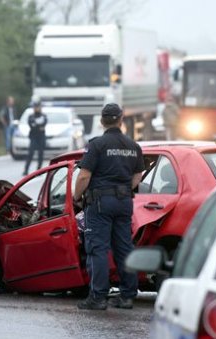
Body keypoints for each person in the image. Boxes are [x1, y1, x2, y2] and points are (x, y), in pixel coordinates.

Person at [73, 103, 144, 310]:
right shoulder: (133, 146)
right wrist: (122, 189)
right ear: (121, 120)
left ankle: (98, 297)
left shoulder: (97, 145)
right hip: (124, 203)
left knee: (98, 249)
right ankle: (128, 295)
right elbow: (137, 176)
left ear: (103, 121)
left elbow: (84, 175)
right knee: (124, 248)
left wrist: (77, 196)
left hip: (100, 203)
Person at [23, 99, 47, 176]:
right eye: (35, 107)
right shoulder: (31, 116)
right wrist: (38, 126)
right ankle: (26, 170)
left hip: (41, 136)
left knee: (41, 154)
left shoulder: (43, 116)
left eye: (38, 107)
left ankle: (39, 170)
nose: (36, 108)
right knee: (30, 153)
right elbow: (32, 125)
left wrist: (37, 125)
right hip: (33, 136)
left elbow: (43, 124)